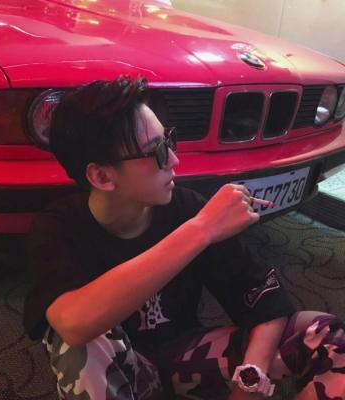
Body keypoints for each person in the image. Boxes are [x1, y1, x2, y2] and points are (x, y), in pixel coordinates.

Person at [23, 77, 345, 400]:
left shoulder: (186, 207)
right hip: (119, 371)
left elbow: (264, 299)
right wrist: (201, 230)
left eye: (169, 141)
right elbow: (73, 323)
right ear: (103, 176)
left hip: (182, 357)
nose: (174, 160)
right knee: (81, 343)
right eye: (157, 152)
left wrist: (251, 379)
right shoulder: (58, 227)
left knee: (325, 334)